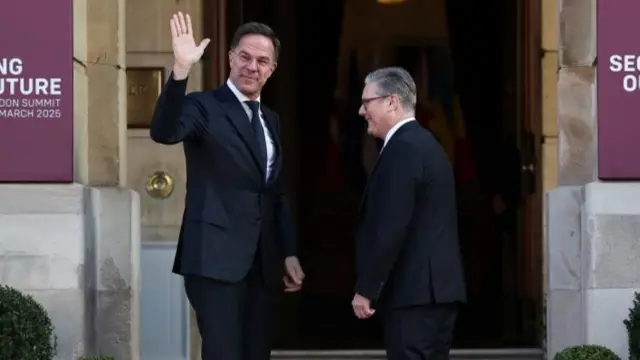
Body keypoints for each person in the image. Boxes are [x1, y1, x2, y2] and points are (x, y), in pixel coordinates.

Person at [149, 12, 304, 360]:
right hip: (214, 259)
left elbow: (274, 193)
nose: (252, 66)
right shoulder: (204, 106)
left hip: (262, 263)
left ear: (272, 69)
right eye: (245, 57)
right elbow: (163, 131)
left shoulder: (271, 121)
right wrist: (180, 71)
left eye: (262, 61)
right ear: (231, 57)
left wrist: (289, 252)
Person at [351, 67, 466, 360]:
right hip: (433, 294)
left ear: (391, 101)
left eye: (367, 103)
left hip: (413, 295)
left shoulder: (402, 149)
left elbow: (390, 227)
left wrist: (366, 288)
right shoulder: (427, 144)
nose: (362, 111)